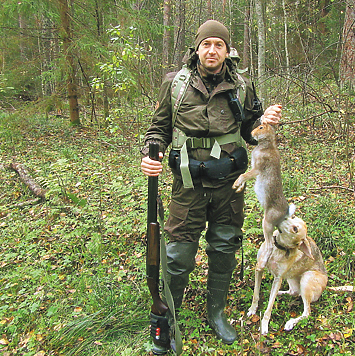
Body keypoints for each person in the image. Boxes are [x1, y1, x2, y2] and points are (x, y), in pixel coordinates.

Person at [140, 19, 281, 353]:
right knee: (178, 253)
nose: (212, 50)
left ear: (226, 50)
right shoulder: (175, 84)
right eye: (207, 44)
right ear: (198, 49)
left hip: (229, 186)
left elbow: (250, 131)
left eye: (219, 44)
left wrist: (265, 124)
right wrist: (150, 153)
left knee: (224, 247)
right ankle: (169, 318)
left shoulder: (242, 86)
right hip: (187, 185)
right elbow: (157, 129)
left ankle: (215, 312)